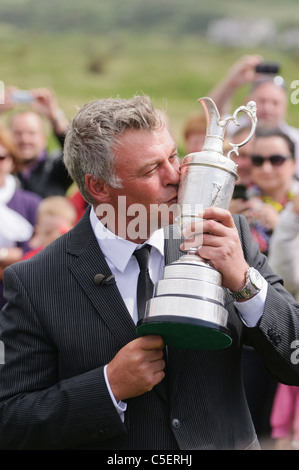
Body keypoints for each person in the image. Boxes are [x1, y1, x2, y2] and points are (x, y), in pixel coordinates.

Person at [1, 95, 299, 451]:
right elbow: (11, 421)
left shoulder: (228, 234)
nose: (175, 176)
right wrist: (108, 386)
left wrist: (243, 280)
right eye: (150, 169)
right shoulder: (34, 281)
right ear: (98, 187)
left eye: (172, 156)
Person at [209, 55, 299, 178]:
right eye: (262, 101)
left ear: (285, 107)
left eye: (275, 103)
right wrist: (231, 83)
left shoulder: (295, 139)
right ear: (247, 102)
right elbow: (212, 116)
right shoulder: (234, 129)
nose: (268, 108)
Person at [0, 87, 73, 198]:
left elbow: (79, 150)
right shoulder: (3, 166)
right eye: (18, 133)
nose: (24, 140)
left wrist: (54, 117)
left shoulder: (55, 168)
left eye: (31, 133)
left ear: (44, 138)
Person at [0, 125, 41, 310]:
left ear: (12, 161)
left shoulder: (31, 204)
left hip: (18, 302)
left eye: (1, 157)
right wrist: (12, 256)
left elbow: (42, 254)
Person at [21, 195, 77, 260]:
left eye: (62, 233)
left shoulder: (77, 256)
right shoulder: (31, 260)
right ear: (38, 232)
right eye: (48, 233)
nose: (54, 237)